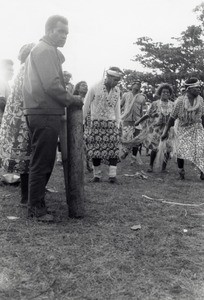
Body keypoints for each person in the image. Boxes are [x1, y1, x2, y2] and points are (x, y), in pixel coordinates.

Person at [23, 15, 83, 222]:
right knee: (43, 161)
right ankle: (36, 209)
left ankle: (35, 203)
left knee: (40, 160)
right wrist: (72, 99)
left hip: (40, 111)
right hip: (45, 112)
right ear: (49, 31)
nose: (65, 36)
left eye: (67, 33)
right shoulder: (46, 50)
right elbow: (51, 85)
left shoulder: (42, 49)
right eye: (61, 31)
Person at [0, 43, 35, 203]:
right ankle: (25, 197)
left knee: (26, 159)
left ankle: (26, 195)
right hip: (20, 120)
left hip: (18, 118)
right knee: (26, 158)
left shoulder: (25, 70)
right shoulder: (27, 70)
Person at [83, 67, 123, 183]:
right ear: (108, 77)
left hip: (111, 123)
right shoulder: (95, 87)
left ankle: (112, 175)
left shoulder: (117, 90)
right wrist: (81, 121)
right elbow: (86, 105)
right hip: (96, 122)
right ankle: (97, 175)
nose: (117, 83)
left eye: (118, 80)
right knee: (96, 150)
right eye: (115, 80)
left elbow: (117, 108)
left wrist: (117, 124)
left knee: (113, 149)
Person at [161, 78, 204, 180]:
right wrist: (165, 132)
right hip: (182, 128)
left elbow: (203, 116)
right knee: (181, 150)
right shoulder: (180, 101)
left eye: (199, 88)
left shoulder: (201, 100)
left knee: (201, 149)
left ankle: (202, 171)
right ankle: (181, 172)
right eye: (196, 88)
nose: (199, 90)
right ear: (188, 89)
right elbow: (172, 118)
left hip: (197, 127)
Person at [133, 83, 175, 172]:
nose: (166, 94)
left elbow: (175, 117)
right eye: (163, 92)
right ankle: (151, 166)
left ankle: (164, 168)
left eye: (168, 92)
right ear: (160, 93)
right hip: (157, 129)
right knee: (155, 147)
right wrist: (138, 121)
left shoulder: (173, 104)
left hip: (168, 129)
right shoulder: (155, 103)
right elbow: (147, 114)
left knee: (167, 149)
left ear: (170, 94)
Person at [121, 80, 146, 164]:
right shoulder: (125, 95)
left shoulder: (142, 97)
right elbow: (120, 105)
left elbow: (142, 110)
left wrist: (142, 121)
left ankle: (133, 157)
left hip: (137, 120)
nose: (138, 85)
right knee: (127, 138)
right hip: (127, 119)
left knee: (136, 139)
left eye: (139, 85)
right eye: (136, 84)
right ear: (132, 85)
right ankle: (126, 152)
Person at [0, 59, 14, 124]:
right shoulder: (1, 81)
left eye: (12, 70)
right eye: (9, 70)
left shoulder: (6, 83)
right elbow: (1, 102)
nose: (12, 72)